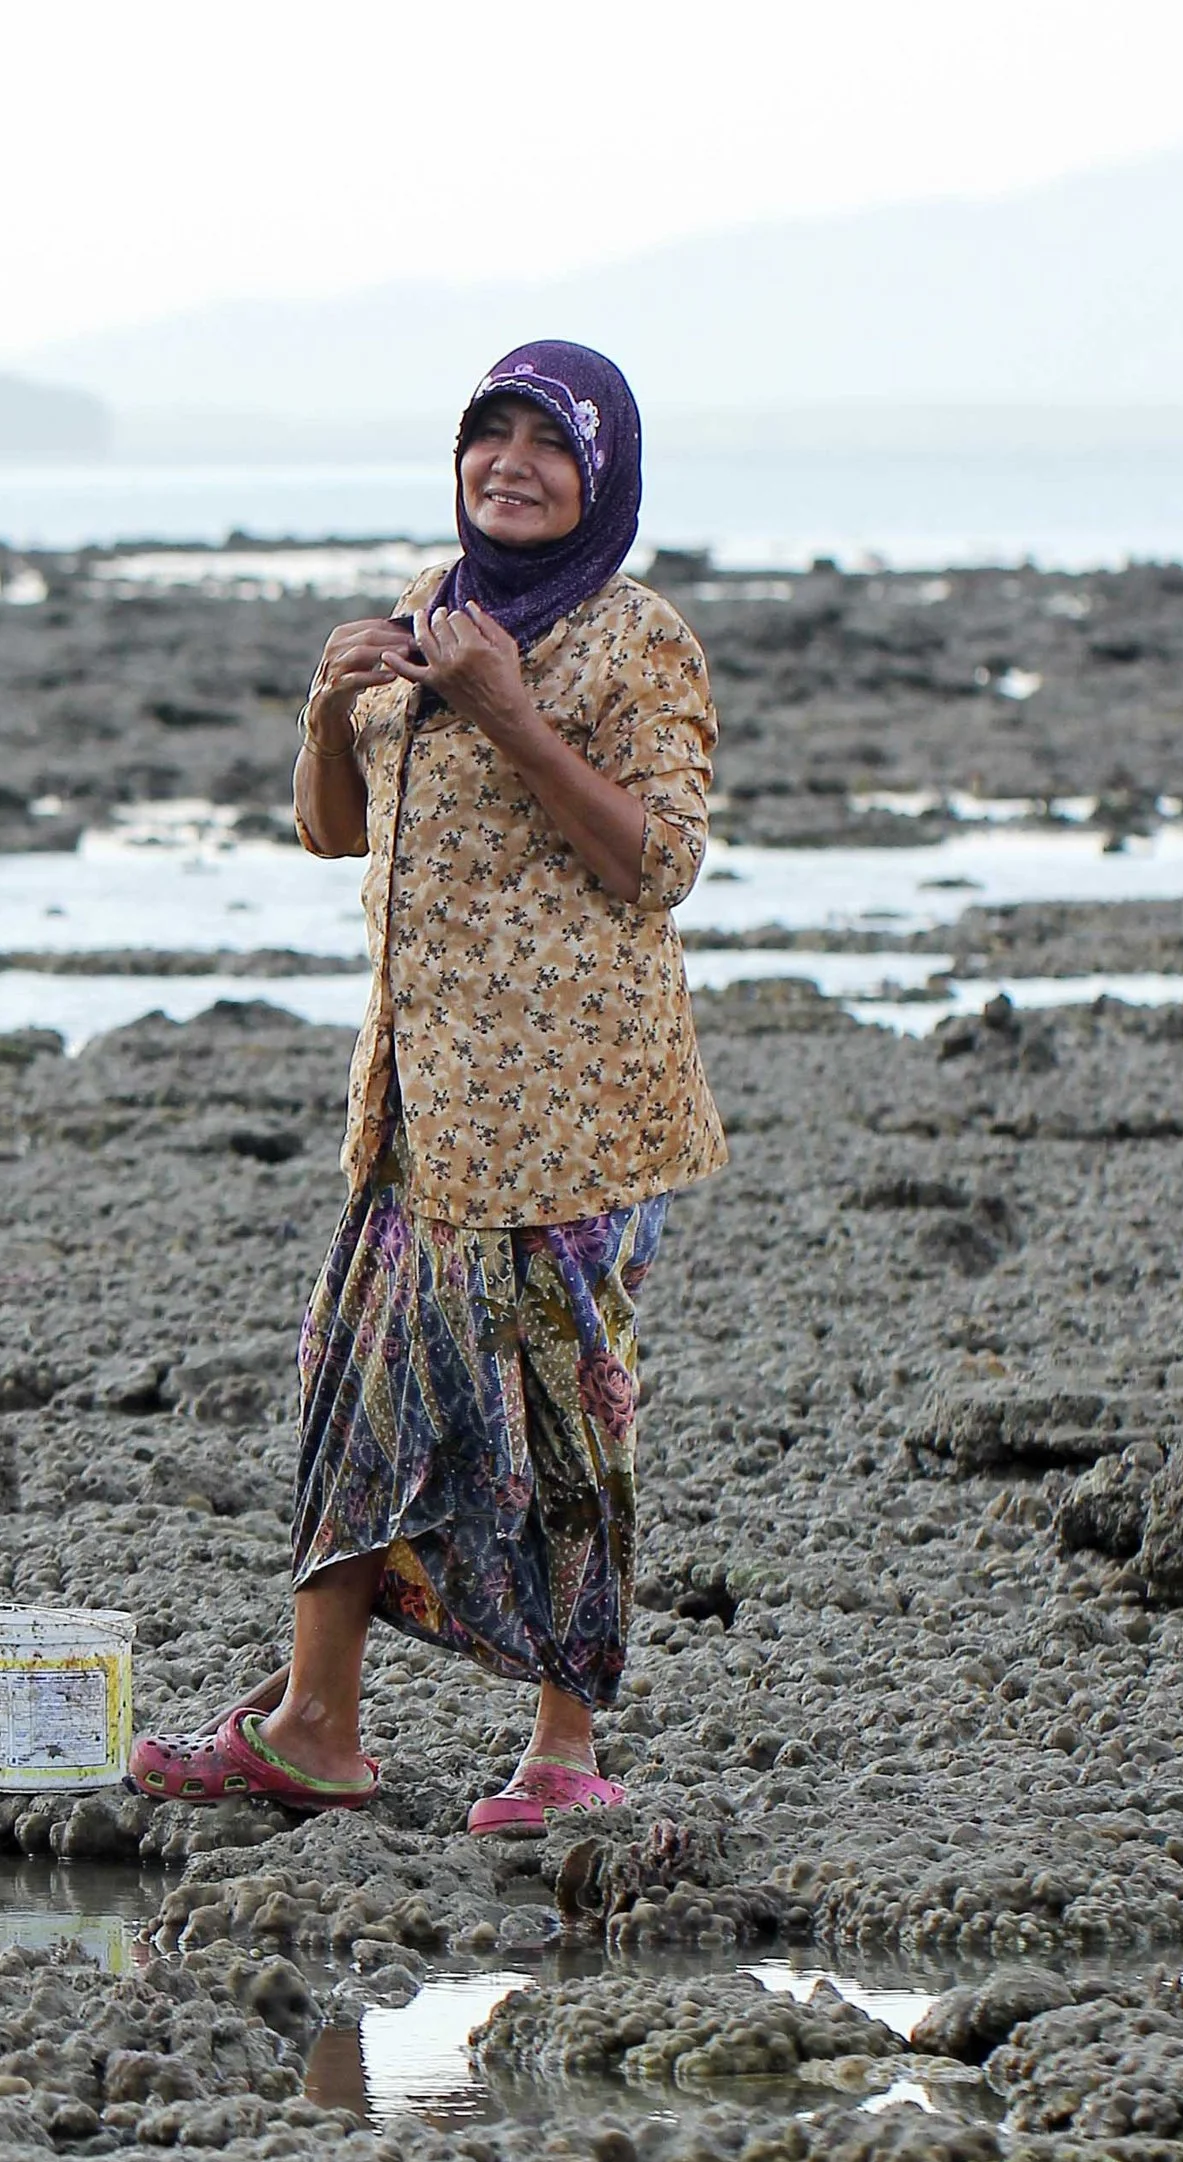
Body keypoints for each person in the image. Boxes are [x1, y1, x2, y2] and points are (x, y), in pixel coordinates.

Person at [129, 340, 724, 1837]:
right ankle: (315, 1725)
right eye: (489, 435)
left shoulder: (635, 641)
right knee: (354, 1389)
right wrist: (328, 706)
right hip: (417, 1100)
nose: (510, 464)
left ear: (603, 474)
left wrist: (512, 713)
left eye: (549, 442)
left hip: (576, 1114)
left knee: (565, 1418)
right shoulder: (430, 605)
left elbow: (660, 865)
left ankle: (565, 1753)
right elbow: (336, 832)